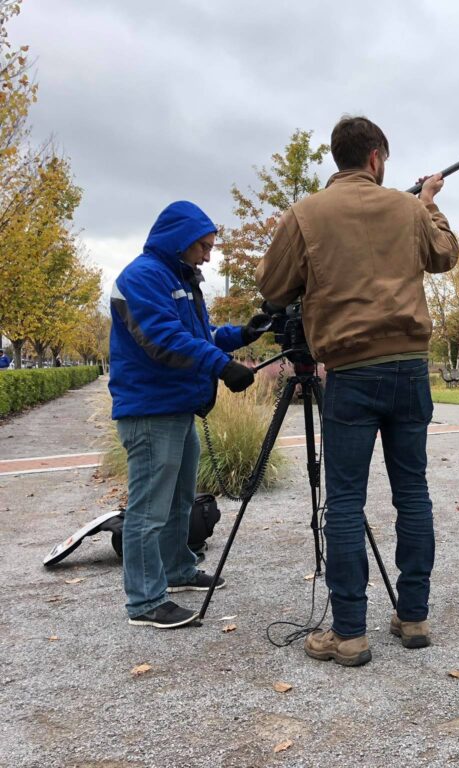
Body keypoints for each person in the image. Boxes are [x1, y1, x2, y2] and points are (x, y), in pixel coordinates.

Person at [256, 116, 459, 667]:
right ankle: (413, 615)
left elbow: (273, 287)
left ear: (338, 157)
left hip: (349, 371)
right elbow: (446, 255)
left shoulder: (306, 214)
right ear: (376, 158)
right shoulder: (409, 207)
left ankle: (349, 633)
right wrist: (428, 200)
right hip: (409, 368)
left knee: (344, 500)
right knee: (412, 492)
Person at [109, 201, 265, 629]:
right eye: (204, 246)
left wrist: (243, 335)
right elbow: (164, 338)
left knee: (179, 500)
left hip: (176, 409)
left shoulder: (179, 279)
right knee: (148, 509)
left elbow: (202, 335)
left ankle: (177, 569)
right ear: (181, 240)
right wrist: (220, 365)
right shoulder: (140, 278)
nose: (209, 255)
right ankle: (144, 602)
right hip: (150, 411)